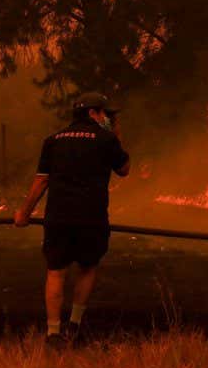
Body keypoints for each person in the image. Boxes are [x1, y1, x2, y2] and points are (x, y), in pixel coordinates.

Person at [15, 92, 130, 346]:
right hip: (92, 217)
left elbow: (41, 180)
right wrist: (116, 133)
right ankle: (74, 327)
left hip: (58, 217)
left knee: (56, 272)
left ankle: (53, 334)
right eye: (103, 113)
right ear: (92, 113)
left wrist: (24, 213)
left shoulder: (53, 140)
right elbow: (124, 169)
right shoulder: (106, 139)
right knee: (87, 267)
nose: (106, 118)